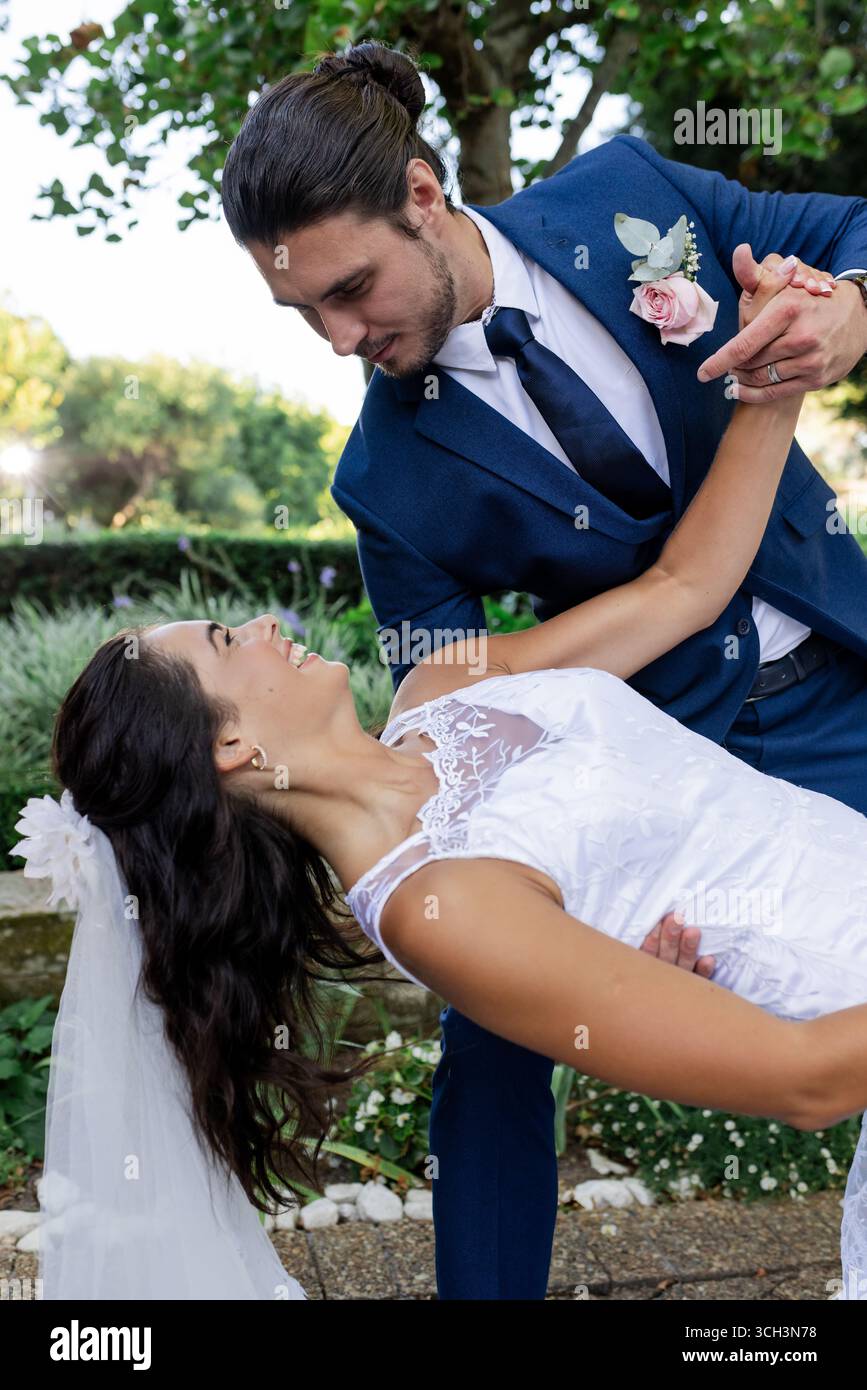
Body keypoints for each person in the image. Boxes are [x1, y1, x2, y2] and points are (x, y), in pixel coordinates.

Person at [14, 252, 867, 1301]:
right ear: (228, 750)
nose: (269, 627)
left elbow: (684, 589)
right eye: (229, 638)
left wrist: (770, 374)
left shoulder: (440, 683)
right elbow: (809, 1075)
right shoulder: (436, 907)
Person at [218, 38, 867, 1297]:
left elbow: (847, 226)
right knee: (493, 1036)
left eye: (349, 289)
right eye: (303, 314)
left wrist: (847, 306)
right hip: (656, 760)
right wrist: (606, 918)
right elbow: (445, 747)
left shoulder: (630, 193)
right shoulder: (384, 480)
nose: (339, 339)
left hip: (843, 673)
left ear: (421, 193)